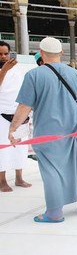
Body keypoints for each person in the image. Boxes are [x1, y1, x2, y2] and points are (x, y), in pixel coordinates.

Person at [10, 37, 77, 222]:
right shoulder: (74, 74)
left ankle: (55, 212)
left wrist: (13, 128)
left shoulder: (34, 75)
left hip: (48, 133)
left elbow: (24, 107)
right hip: (72, 131)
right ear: (61, 53)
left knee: (52, 170)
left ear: (41, 53)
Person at [0, 41, 31, 192]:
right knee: (3, 149)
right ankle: (2, 180)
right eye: (0, 54)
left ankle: (19, 177)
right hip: (2, 113)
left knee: (20, 147)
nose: (3, 56)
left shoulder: (19, 69)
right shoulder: (4, 69)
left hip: (19, 113)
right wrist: (4, 70)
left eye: (6, 53)